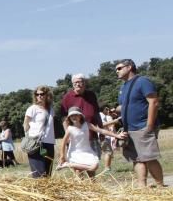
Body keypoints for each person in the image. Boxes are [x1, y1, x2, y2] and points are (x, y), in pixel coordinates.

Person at [115, 59, 164, 187]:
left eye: (119, 68)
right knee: (136, 159)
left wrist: (149, 125)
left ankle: (160, 186)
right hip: (129, 129)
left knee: (149, 158)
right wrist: (117, 110)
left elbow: (153, 102)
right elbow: (124, 105)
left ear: (129, 67)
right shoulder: (123, 86)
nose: (117, 71)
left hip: (142, 126)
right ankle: (142, 188)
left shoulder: (142, 81)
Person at [57, 107, 122, 177]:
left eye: (76, 115)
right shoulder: (70, 129)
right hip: (74, 153)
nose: (74, 117)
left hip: (87, 151)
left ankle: (68, 164)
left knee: (94, 167)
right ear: (69, 118)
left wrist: (117, 135)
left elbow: (101, 131)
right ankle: (72, 168)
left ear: (80, 116)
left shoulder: (87, 125)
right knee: (79, 174)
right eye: (72, 116)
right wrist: (62, 156)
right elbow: (63, 142)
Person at [59, 73, 101, 154]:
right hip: (76, 137)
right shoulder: (67, 97)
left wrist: (101, 127)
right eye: (75, 83)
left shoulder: (91, 95)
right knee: (77, 161)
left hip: (91, 135)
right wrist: (67, 135)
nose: (77, 84)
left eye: (80, 82)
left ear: (85, 83)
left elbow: (96, 113)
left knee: (94, 160)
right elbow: (64, 118)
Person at [23, 85, 56, 178]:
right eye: (37, 94)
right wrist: (28, 138)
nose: (39, 96)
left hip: (49, 143)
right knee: (39, 174)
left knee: (47, 173)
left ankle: (47, 192)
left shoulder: (51, 110)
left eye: (42, 94)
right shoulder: (32, 109)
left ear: (47, 95)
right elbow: (25, 124)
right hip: (36, 143)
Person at [98, 105, 120, 173]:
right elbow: (101, 125)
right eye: (106, 109)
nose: (108, 111)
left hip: (104, 136)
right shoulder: (101, 115)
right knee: (108, 152)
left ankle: (108, 168)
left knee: (109, 152)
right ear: (103, 109)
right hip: (103, 136)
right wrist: (114, 121)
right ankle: (107, 168)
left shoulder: (103, 116)